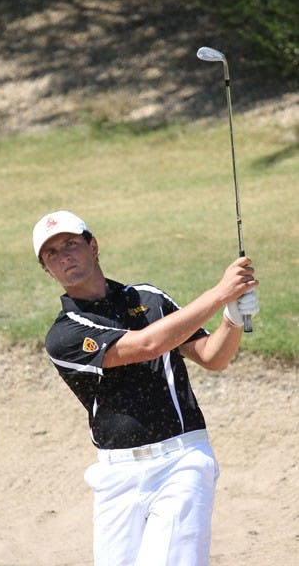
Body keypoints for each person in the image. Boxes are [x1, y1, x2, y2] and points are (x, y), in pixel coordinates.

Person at [32, 209, 260, 566]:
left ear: (93, 246)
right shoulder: (65, 335)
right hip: (116, 474)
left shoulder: (148, 299)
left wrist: (231, 316)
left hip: (182, 461)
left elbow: (213, 357)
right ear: (47, 270)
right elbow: (145, 346)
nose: (64, 257)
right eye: (52, 254)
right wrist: (220, 294)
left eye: (71, 244)